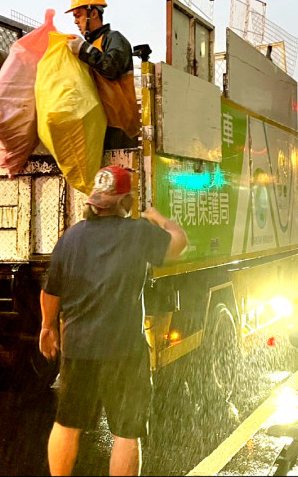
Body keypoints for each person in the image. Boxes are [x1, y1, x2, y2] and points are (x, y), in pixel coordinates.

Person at [39, 165, 187, 476]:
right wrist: (158, 218)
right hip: (125, 351)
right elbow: (178, 242)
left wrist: (47, 326)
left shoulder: (71, 237)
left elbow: (50, 290)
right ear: (125, 202)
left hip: (78, 348)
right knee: (125, 433)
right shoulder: (138, 232)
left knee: (67, 424)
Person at [65, 0, 141, 150]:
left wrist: (84, 49)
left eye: (78, 15)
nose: (75, 21)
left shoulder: (114, 39)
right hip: (99, 127)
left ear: (93, 13)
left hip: (120, 129)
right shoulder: (89, 46)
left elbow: (110, 68)